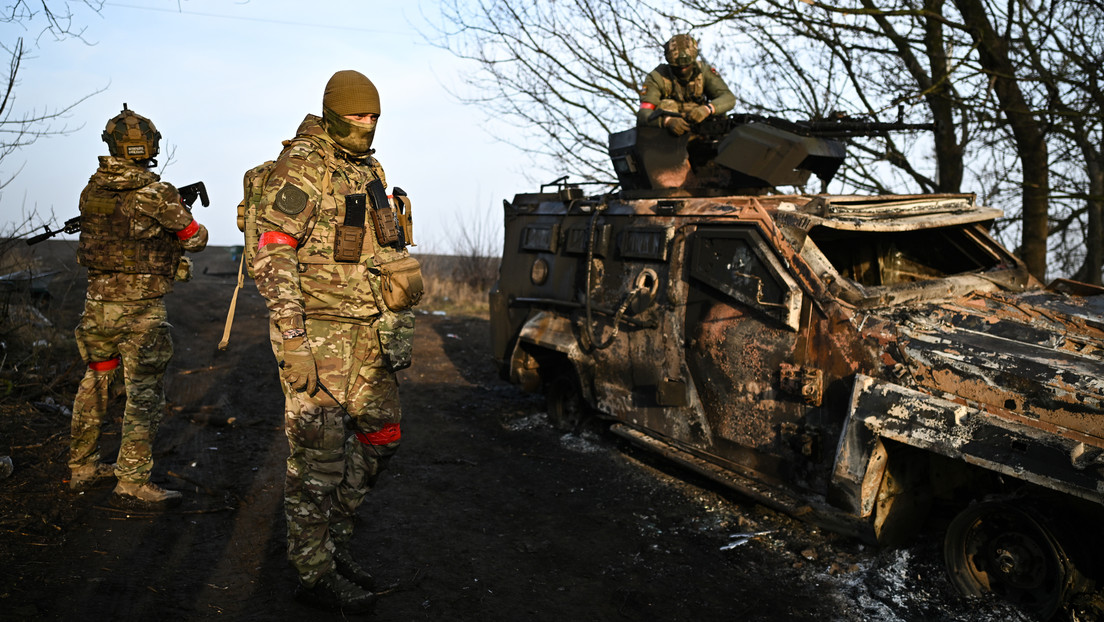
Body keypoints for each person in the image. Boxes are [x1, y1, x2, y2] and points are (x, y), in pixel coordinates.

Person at [252, 69, 418, 613]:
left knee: (382, 436)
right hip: (318, 334)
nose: (367, 126)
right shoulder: (303, 164)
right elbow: (272, 251)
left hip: (369, 331)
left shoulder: (369, 166)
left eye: (374, 118)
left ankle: (332, 539)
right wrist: (293, 339)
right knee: (315, 462)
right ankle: (312, 570)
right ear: (332, 113)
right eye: (356, 117)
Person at [68, 105, 208, 510]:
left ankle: (81, 466)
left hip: (97, 306)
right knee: (143, 394)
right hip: (140, 312)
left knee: (96, 382)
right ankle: (131, 480)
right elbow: (195, 238)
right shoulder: (156, 194)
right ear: (149, 147)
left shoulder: (91, 190)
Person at [636, 33, 736, 136]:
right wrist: (667, 121)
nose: (683, 70)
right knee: (667, 105)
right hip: (668, 139)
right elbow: (644, 114)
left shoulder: (703, 71)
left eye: (687, 66)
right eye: (678, 67)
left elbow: (728, 98)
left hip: (702, 132)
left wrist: (707, 109)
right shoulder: (657, 77)